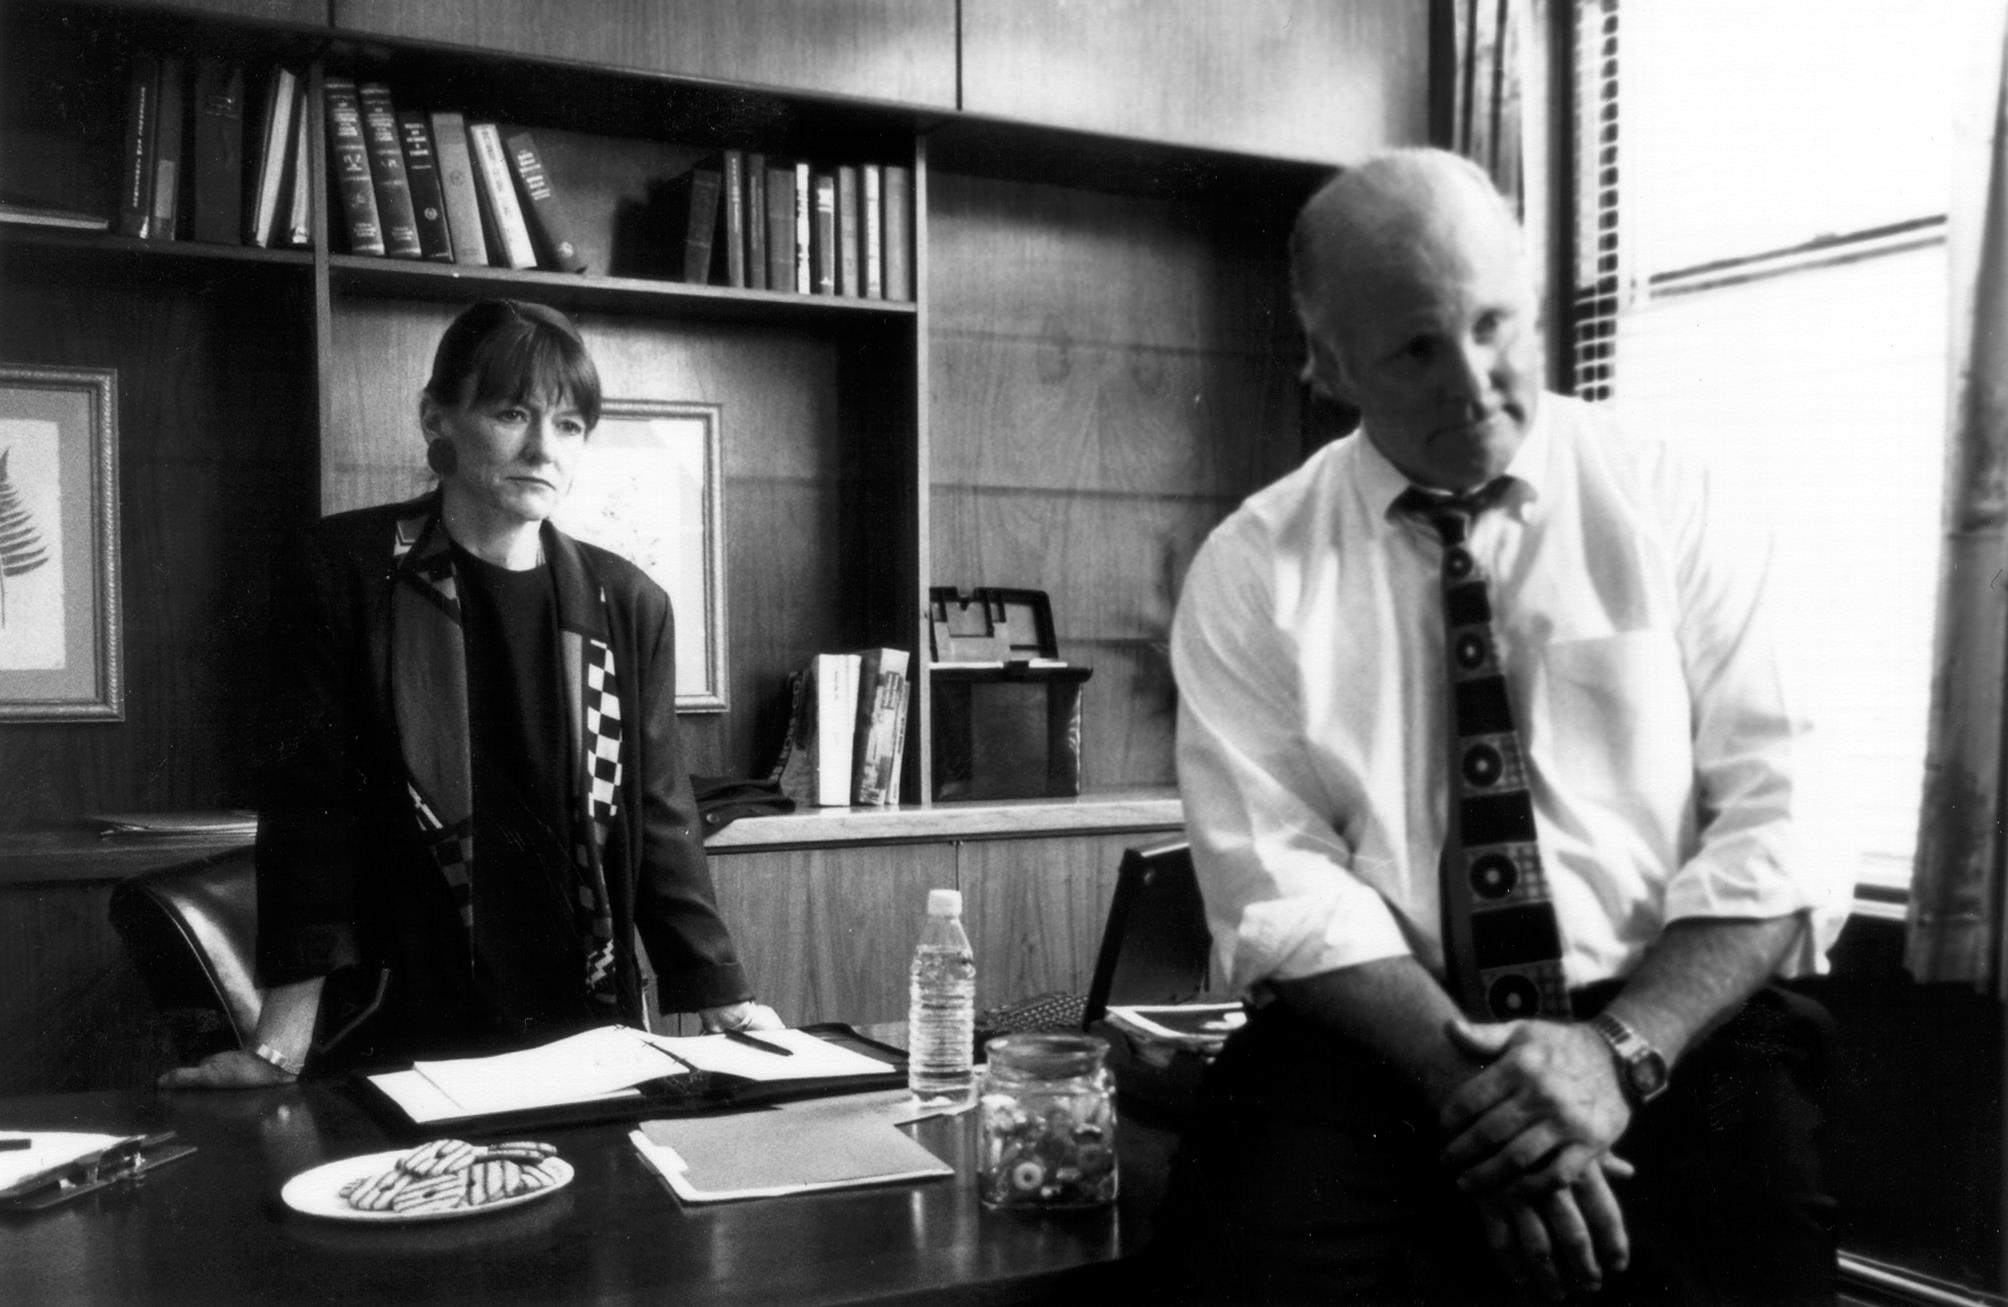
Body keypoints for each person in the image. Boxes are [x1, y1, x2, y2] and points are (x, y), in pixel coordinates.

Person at [1151, 149, 1846, 1304]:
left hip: (1667, 1013)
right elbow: (1280, 882)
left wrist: (1615, 1057)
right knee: (1241, 1270)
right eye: (1416, 349)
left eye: (1493, 325)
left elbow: (1782, 817)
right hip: (1383, 1031)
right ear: (1330, 365)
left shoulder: (1679, 498)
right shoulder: (1252, 565)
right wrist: (1483, 1088)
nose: (1472, 383)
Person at [165, 299, 776, 1088]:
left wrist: (727, 997)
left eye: (568, 425)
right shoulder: (344, 571)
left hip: (588, 1021)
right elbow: (311, 816)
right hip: (401, 1014)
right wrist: (279, 1045)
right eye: (511, 413)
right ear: (437, 417)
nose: (542, 448)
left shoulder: (626, 602)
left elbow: (659, 814)